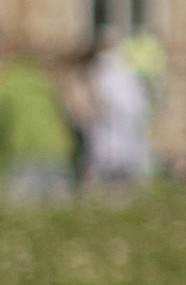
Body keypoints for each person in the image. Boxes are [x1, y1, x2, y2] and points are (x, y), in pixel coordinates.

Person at [0, 43, 77, 202]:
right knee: (59, 209)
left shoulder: (7, 88)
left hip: (26, 152)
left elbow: (2, 126)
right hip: (58, 152)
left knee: (24, 208)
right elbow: (66, 119)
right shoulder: (46, 86)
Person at [84, 36, 153, 187]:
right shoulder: (126, 74)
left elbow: (104, 104)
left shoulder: (108, 72)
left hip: (116, 152)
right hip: (122, 151)